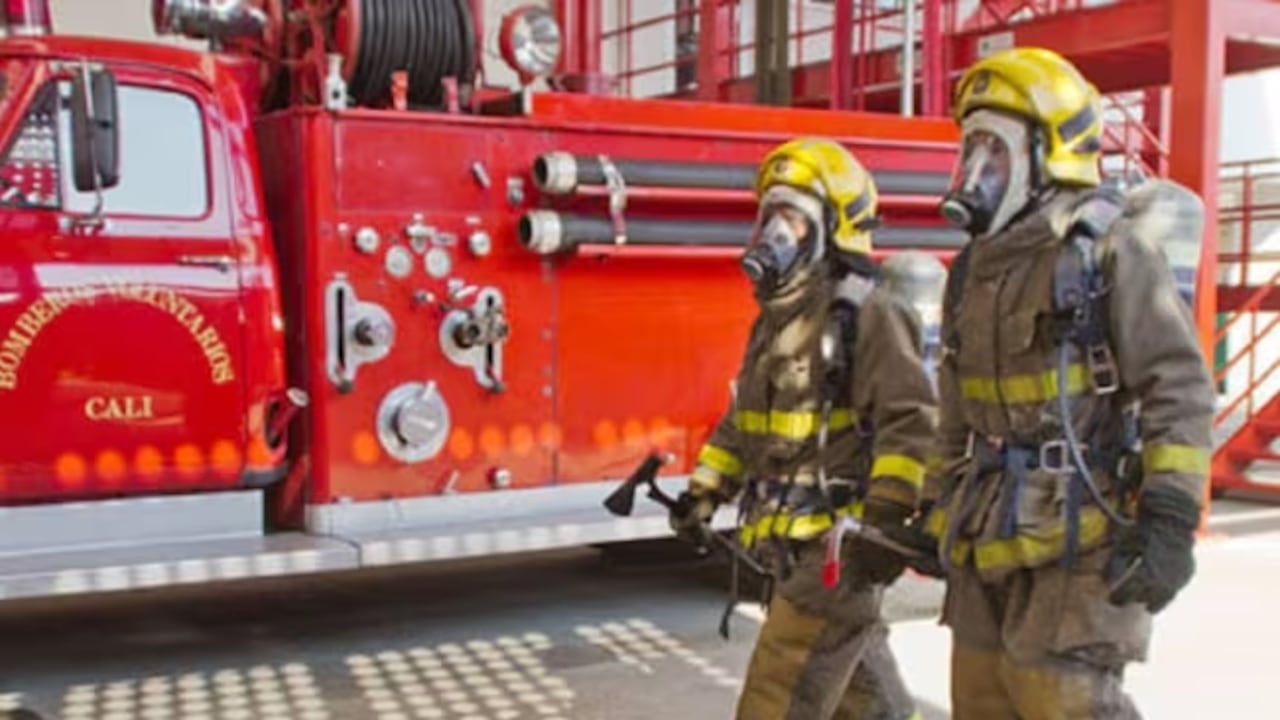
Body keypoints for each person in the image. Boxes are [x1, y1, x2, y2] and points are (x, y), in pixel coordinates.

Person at [908, 46, 1215, 718]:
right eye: (972, 151)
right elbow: (955, 413)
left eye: (996, 153)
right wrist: (931, 508)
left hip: (1080, 543)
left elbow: (1180, 390)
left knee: (1064, 703)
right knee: (981, 703)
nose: (976, 173)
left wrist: (1169, 517)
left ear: (1049, 155)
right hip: (983, 540)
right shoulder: (973, 270)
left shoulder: (1108, 251)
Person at [668, 137, 937, 720]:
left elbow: (911, 421)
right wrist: (704, 492)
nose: (773, 233)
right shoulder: (776, 319)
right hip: (788, 546)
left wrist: (883, 527)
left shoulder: (871, 312)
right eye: (769, 216)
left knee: (777, 694)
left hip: (837, 551)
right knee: (868, 699)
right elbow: (746, 424)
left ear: (829, 228)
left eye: (791, 217)